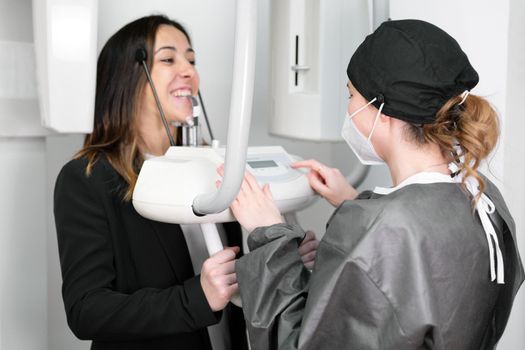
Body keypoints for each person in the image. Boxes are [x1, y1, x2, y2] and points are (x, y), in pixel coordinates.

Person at [226, 20, 524, 349]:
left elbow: (300, 343)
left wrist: (270, 236)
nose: (350, 108)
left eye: (351, 95)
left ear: (382, 111)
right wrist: (353, 201)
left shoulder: (377, 229)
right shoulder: (483, 197)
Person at [53, 14, 318, 350]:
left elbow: (233, 275)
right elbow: (86, 310)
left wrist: (282, 260)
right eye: (168, 59)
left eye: (191, 60)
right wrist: (198, 298)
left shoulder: (215, 165)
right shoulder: (87, 177)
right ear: (126, 76)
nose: (189, 71)